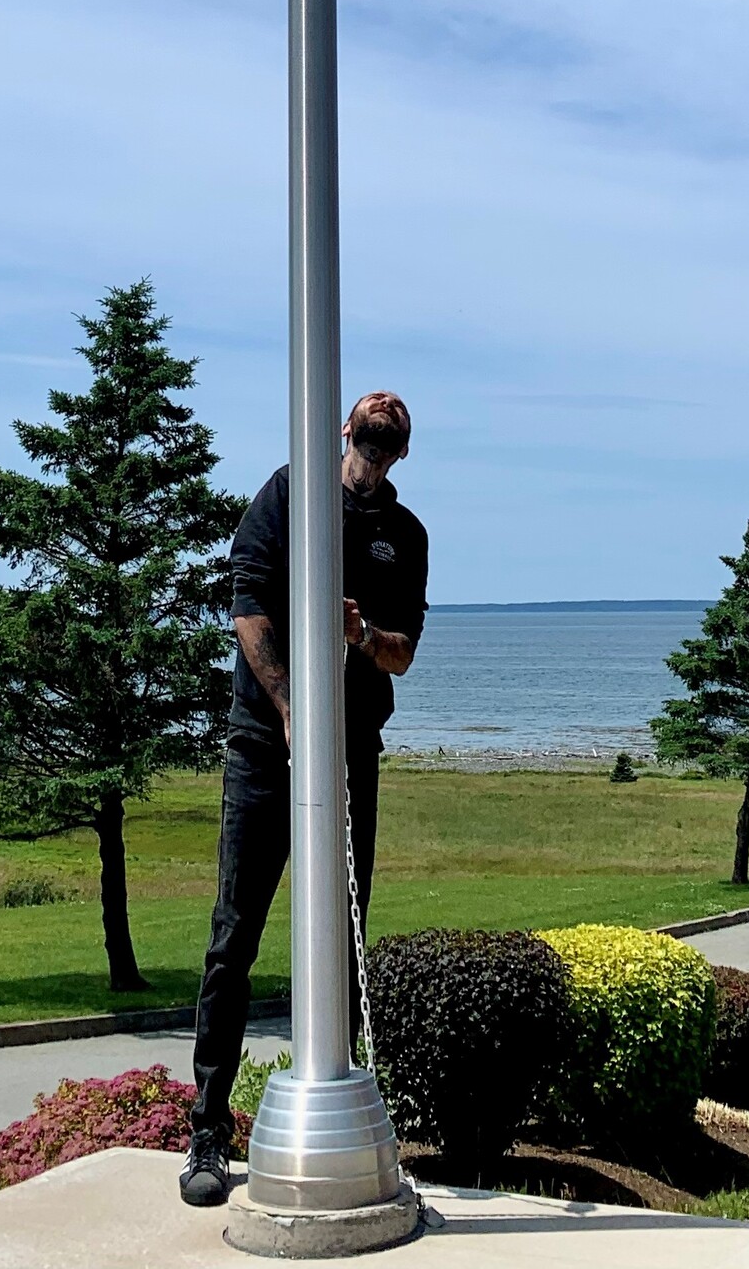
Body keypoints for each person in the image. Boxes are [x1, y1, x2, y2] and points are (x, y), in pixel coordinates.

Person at [179, 390, 429, 1207]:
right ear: (345, 429)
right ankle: (209, 1129)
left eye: (392, 425)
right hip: (265, 747)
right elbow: (248, 606)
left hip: (354, 752)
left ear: (397, 449)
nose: (379, 420)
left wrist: (360, 635)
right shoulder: (289, 494)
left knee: (345, 934)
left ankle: (346, 1112)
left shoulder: (405, 535)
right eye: (370, 415)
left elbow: (401, 655)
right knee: (235, 934)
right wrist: (289, 710)